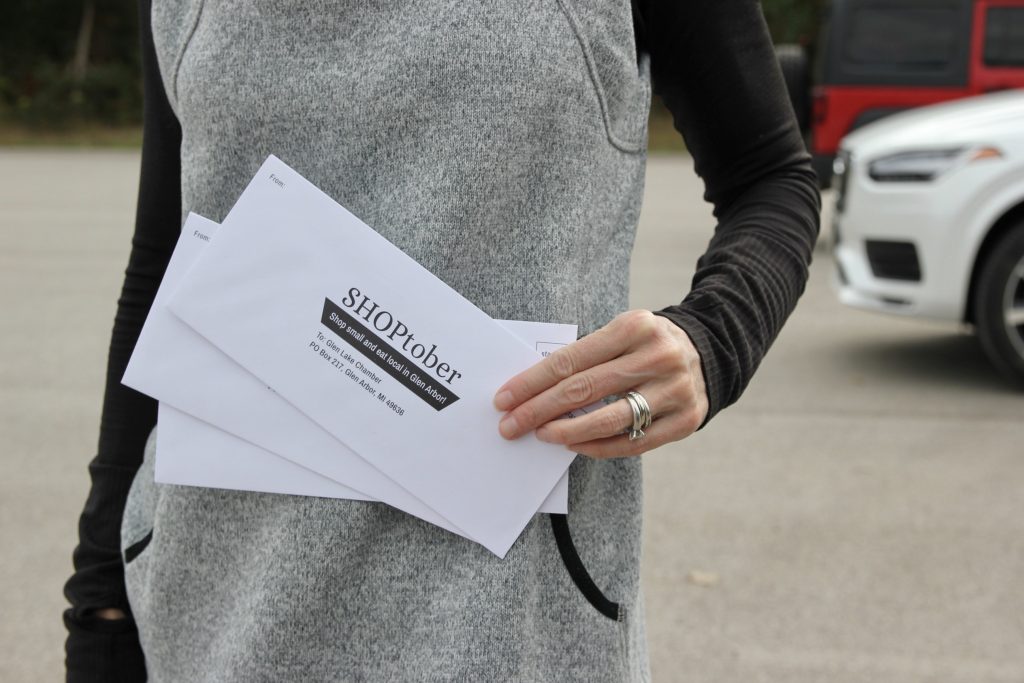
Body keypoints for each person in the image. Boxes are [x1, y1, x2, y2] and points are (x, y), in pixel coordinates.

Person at [64, 0, 820, 680]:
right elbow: (167, 258)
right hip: (213, 609)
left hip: (510, 616)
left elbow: (771, 176)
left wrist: (712, 341)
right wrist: (99, 591)